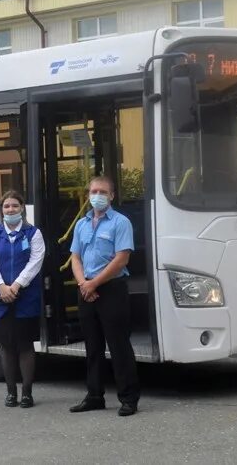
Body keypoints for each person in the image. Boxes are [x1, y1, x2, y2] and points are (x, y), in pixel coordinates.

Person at [68, 176, 140, 417]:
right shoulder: (81, 224)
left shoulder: (121, 223)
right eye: (93, 191)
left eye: (102, 191)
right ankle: (94, 395)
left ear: (112, 196)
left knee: (119, 346)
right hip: (86, 288)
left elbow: (122, 259)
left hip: (111, 289)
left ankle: (128, 398)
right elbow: (75, 257)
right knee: (92, 346)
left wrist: (94, 283)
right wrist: (83, 284)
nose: (96, 195)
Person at [0, 190, 46, 408]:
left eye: (15, 206)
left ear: (22, 209)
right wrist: (2, 287)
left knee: (25, 345)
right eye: (6, 206)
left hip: (25, 296)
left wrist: (17, 285)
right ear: (1, 210)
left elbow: (36, 261)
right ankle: (11, 393)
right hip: (0, 297)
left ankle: (26, 393)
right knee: (7, 347)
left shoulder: (33, 233)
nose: (10, 210)